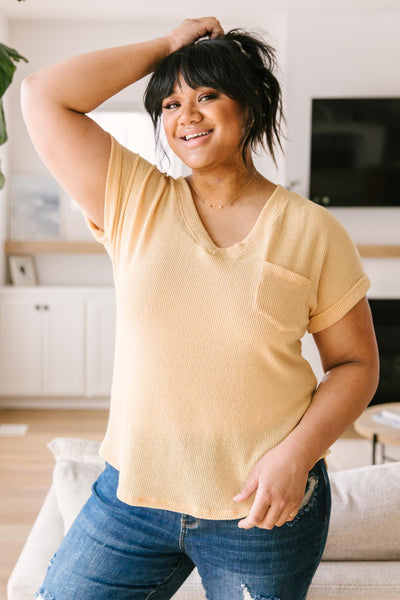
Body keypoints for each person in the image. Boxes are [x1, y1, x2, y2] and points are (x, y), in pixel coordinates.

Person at [21, 16, 379, 600]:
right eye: (169, 103)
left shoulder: (315, 230)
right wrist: (167, 48)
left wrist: (296, 457)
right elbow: (44, 95)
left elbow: (356, 365)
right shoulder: (133, 200)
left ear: (251, 103)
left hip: (260, 511)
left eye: (207, 95)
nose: (185, 114)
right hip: (132, 499)